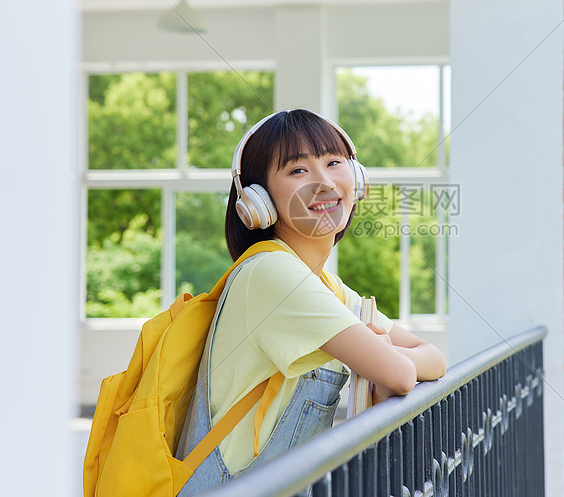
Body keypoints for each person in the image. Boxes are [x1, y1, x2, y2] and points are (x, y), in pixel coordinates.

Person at [176, 109, 447, 495]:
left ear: (358, 179)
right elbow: (400, 375)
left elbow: (433, 356)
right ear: (258, 200)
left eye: (334, 162)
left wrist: (386, 350)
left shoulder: (326, 287)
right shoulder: (272, 273)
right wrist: (390, 357)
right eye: (297, 171)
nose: (323, 182)